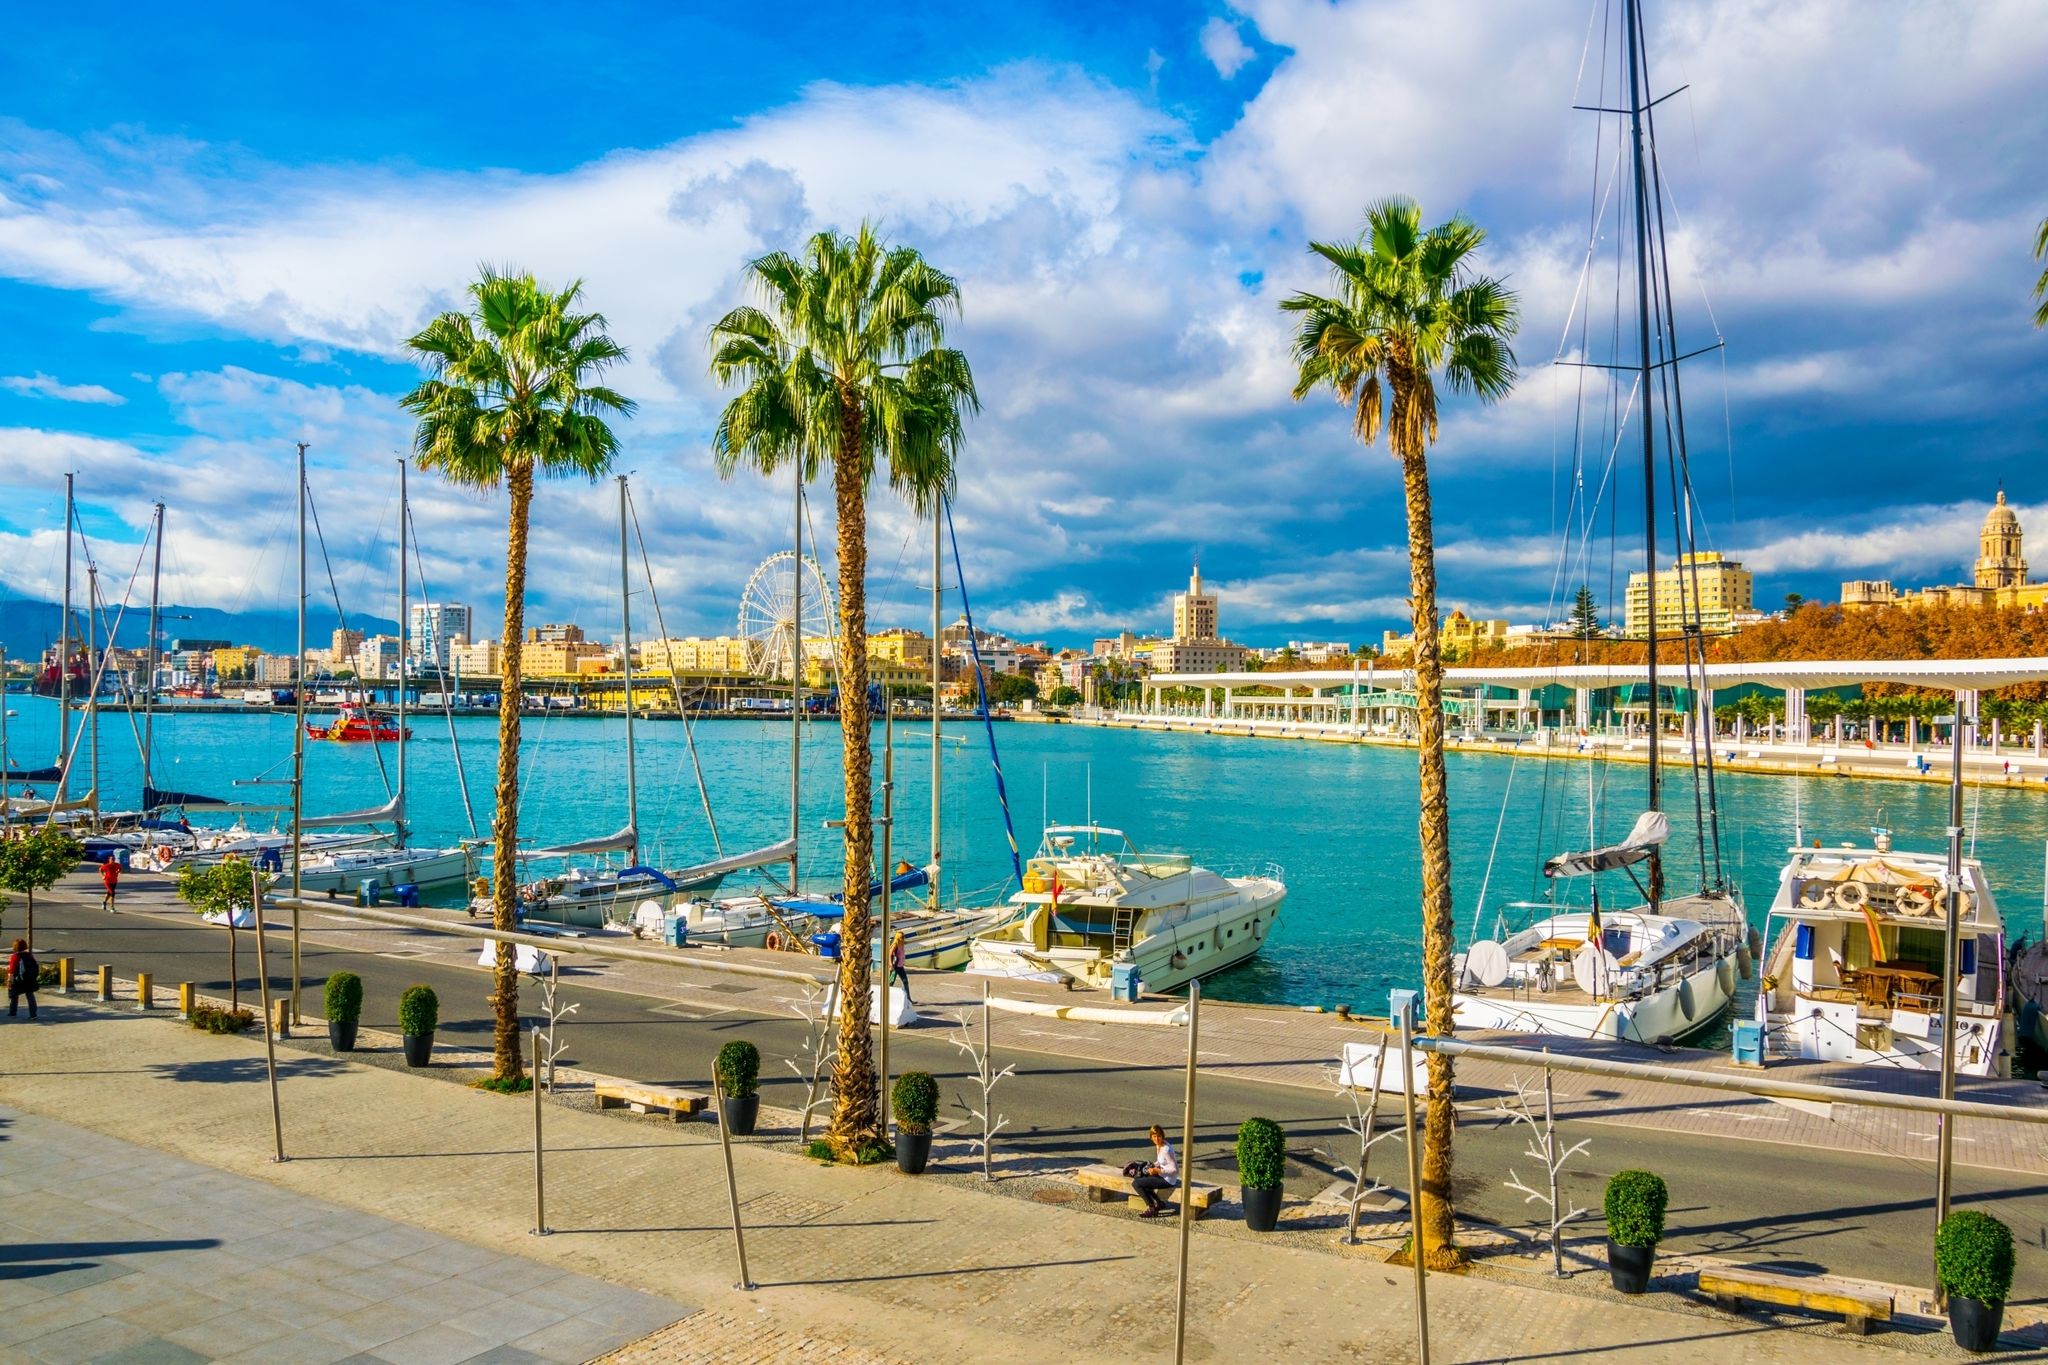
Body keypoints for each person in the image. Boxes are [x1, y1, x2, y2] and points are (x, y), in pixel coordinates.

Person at [1131, 1123, 1179, 1218]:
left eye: (1159, 1136)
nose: (1157, 1139)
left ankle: (1151, 1208)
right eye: (1154, 1136)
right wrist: (1153, 1165)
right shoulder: (1159, 1146)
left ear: (1162, 1136)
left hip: (1168, 1180)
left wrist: (1157, 1171)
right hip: (1162, 1174)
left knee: (1136, 1184)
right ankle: (1159, 1203)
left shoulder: (1166, 1150)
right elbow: (1161, 1161)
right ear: (1151, 1137)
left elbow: (1175, 1170)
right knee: (1142, 1178)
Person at [7, 939, 38, 1020]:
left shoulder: (15, 956)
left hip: (18, 980)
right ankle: (33, 1015)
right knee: (30, 996)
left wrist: (9, 981)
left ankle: (12, 1013)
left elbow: (12, 971)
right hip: (28, 979)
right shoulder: (29, 955)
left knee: (14, 996)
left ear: (15, 947)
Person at [889, 931, 913, 1004]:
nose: (903, 938)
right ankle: (887, 997)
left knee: (905, 981)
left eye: (903, 937)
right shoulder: (895, 944)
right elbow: (890, 954)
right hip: (895, 966)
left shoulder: (902, 944)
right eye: (902, 937)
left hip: (900, 966)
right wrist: (890, 965)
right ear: (898, 937)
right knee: (890, 982)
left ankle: (908, 999)